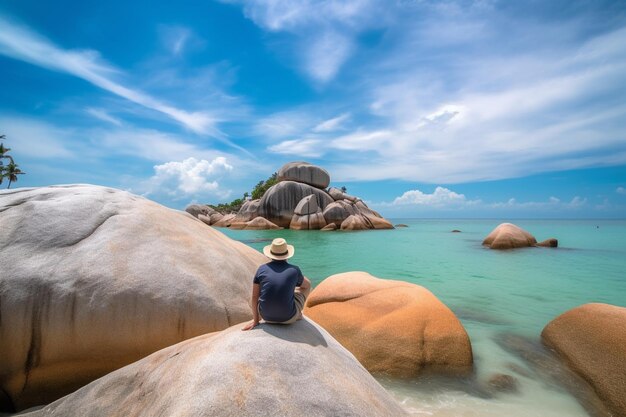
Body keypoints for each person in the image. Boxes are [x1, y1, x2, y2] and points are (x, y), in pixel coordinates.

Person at [242, 238, 311, 330]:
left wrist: (255, 321)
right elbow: (306, 285)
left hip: (266, 317)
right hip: (288, 318)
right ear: (287, 255)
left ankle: (261, 316)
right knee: (306, 286)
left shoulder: (261, 269)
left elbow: (254, 297)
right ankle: (297, 314)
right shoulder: (294, 270)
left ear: (270, 254)